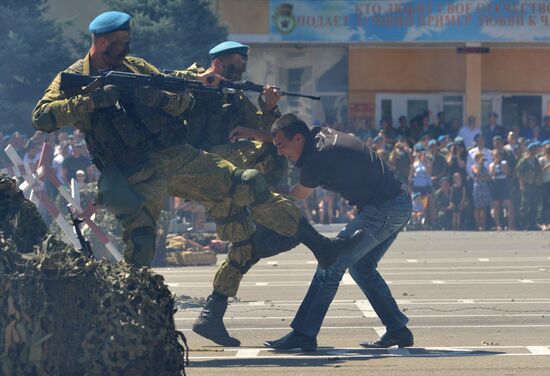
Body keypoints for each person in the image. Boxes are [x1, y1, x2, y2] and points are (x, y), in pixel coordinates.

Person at [32, 13, 362, 348]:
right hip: (131, 172)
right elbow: (42, 117)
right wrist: (91, 99)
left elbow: (181, 99)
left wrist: (155, 97)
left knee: (247, 182)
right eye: (122, 42)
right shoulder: (73, 77)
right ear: (102, 42)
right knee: (141, 250)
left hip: (173, 156)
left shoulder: (136, 68)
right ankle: (126, 327)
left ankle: (321, 246)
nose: (128, 47)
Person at [264, 113, 413, 351]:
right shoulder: (318, 135)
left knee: (330, 261)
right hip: (397, 201)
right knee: (361, 268)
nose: (280, 152)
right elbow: (285, 134)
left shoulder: (316, 158)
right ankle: (398, 329)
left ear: (298, 138)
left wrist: (273, 192)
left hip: (385, 207)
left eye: (281, 146)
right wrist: (252, 134)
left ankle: (303, 333)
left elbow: (300, 194)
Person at [516, 142, 544, 230]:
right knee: (525, 205)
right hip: (526, 184)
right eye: (535, 149)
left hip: (534, 185)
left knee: (534, 204)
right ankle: (523, 224)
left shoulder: (536, 160)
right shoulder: (524, 160)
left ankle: (533, 224)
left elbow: (539, 171)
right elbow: (519, 172)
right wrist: (521, 184)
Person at [488, 149, 512, 230]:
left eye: (498, 155)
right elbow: (491, 174)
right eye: (495, 156)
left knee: (509, 204)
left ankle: (510, 225)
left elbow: (506, 172)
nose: (497, 157)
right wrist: (495, 164)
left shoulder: (504, 163)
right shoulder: (491, 165)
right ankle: (498, 225)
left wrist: (501, 165)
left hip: (504, 183)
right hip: (496, 184)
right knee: (496, 205)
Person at [471, 152, 492, 230]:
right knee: (477, 207)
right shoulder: (474, 166)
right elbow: (477, 173)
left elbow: (488, 178)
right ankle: (477, 224)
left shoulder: (485, 168)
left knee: (484, 207)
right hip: (478, 187)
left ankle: (483, 224)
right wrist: (479, 165)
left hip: (484, 187)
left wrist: (482, 177)